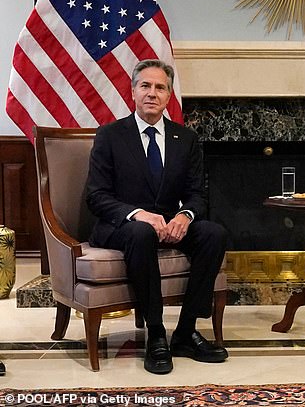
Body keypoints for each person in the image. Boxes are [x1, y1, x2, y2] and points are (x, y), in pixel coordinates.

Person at [86, 59, 228, 374]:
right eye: (145, 86)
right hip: (123, 227)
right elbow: (96, 196)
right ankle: (156, 333)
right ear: (133, 92)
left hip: (168, 223)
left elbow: (196, 194)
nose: (152, 93)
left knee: (213, 233)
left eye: (160, 87)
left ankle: (186, 331)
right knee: (142, 233)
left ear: (168, 96)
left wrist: (185, 216)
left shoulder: (185, 139)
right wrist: (137, 215)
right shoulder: (110, 135)